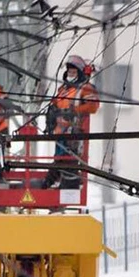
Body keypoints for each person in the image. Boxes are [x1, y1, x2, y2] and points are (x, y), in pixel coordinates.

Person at [43, 55, 99, 189]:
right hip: (60, 133)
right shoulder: (63, 89)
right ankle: (50, 182)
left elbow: (93, 106)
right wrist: (50, 119)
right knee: (59, 159)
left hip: (73, 134)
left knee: (68, 162)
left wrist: (75, 110)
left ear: (79, 73)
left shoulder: (85, 88)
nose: (70, 74)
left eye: (73, 72)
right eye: (69, 71)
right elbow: (54, 105)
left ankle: (53, 183)